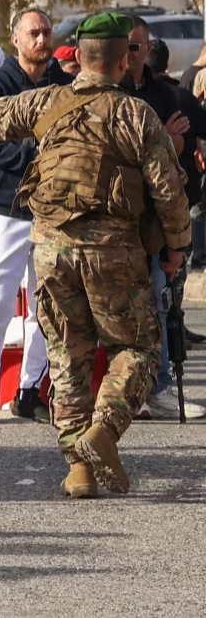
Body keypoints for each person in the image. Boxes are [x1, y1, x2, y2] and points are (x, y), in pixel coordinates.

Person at [0, 12, 189, 497]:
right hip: (113, 251)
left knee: (66, 354)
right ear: (123, 58)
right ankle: (103, 431)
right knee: (138, 349)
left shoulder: (47, 101)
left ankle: (80, 470)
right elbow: (170, 195)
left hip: (49, 248)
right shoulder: (137, 115)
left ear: (83, 57)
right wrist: (176, 249)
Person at [0, 9, 67, 426]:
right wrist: (38, 154)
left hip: (54, 213)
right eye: (33, 33)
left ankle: (28, 391)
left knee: (47, 307)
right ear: (15, 39)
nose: (41, 39)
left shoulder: (64, 86)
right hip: (8, 209)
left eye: (46, 32)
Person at [122, 24, 206, 420]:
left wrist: (177, 146)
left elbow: (192, 132)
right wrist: (162, 142)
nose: (137, 51)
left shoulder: (168, 95)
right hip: (114, 224)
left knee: (158, 305)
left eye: (142, 44)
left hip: (154, 226)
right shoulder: (108, 95)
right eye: (130, 44)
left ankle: (156, 389)